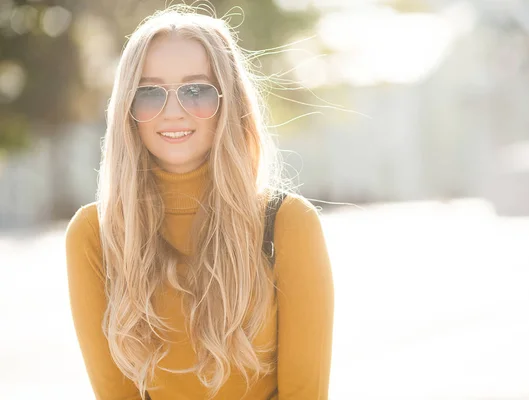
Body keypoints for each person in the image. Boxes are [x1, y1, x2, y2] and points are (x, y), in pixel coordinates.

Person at [65, 5, 334, 400]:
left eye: (196, 90)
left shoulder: (289, 224)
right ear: (127, 107)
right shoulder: (94, 234)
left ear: (230, 101)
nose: (173, 112)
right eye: (150, 92)